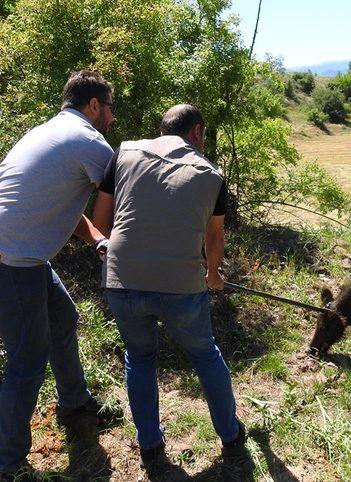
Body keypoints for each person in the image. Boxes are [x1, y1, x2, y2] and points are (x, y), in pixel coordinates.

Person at [92, 104, 246, 473]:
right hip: (181, 286)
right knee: (205, 355)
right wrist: (212, 275)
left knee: (140, 358)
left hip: (121, 279)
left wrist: (109, 252)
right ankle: (231, 437)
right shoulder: (211, 174)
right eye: (204, 135)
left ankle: (150, 447)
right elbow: (214, 236)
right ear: (196, 132)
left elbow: (101, 219)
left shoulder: (124, 151)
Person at [0, 70, 119, 479]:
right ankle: (8, 462)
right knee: (27, 360)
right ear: (93, 106)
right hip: (13, 260)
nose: (112, 118)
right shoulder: (89, 142)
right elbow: (130, 195)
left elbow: (62, 209)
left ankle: (74, 402)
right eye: (110, 108)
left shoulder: (49, 132)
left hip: (19, 254)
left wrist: (99, 239)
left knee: (63, 319)